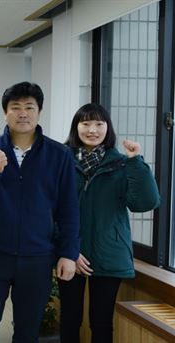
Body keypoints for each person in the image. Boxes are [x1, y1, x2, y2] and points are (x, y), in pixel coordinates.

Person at [0, 82, 79, 342]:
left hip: (38, 256)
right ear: (5, 113)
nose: (23, 113)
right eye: (15, 107)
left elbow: (69, 208)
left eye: (29, 107)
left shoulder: (59, 154)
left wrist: (69, 254)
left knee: (28, 331)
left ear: (39, 111)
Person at [59, 103, 160, 343]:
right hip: (69, 254)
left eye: (98, 124)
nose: (92, 129)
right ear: (76, 127)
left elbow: (146, 202)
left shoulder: (122, 163)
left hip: (109, 253)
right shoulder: (61, 160)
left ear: (108, 128)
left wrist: (136, 160)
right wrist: (69, 250)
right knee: (70, 319)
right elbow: (51, 209)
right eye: (85, 123)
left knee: (101, 321)